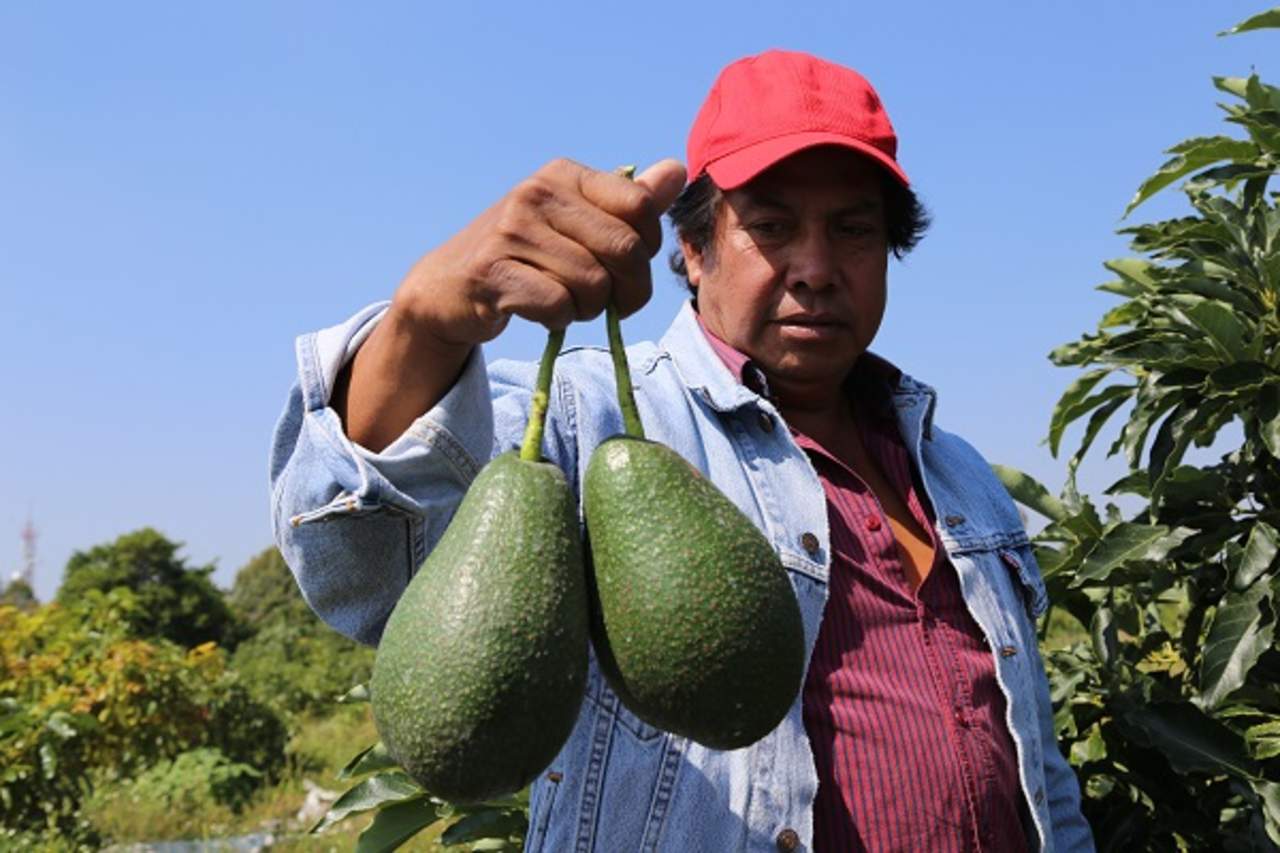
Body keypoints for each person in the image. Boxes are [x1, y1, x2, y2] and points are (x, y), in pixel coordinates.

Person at [270, 49, 1094, 852]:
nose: (815, 267)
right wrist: (423, 324)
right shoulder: (584, 422)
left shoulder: (961, 475)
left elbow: (1037, 764)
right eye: (771, 227)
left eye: (853, 230)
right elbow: (363, 552)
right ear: (693, 252)